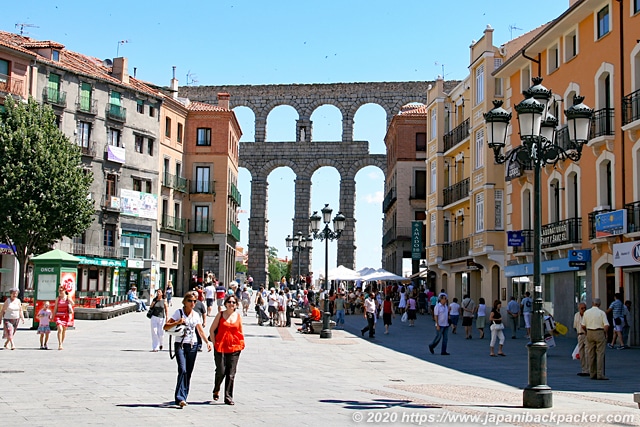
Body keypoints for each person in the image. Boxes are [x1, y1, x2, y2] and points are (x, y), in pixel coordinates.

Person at [164, 291, 212, 407]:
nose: (192, 303)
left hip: (192, 345)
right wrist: (178, 322)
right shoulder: (179, 312)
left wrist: (207, 342)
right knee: (182, 369)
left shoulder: (196, 315)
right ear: (184, 302)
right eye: (190, 301)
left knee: (188, 372)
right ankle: (179, 396)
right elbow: (166, 326)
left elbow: (200, 330)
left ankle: (183, 397)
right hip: (180, 344)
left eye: (194, 301)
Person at [210, 295, 245, 405]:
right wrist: (215, 343)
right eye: (229, 302)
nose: (231, 304)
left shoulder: (238, 317)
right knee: (221, 371)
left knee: (231, 373)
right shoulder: (220, 315)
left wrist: (241, 343)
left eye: (234, 302)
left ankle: (228, 396)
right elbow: (212, 330)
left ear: (236, 305)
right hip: (220, 347)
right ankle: (216, 388)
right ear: (225, 303)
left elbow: (240, 332)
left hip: (235, 347)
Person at [581, 298, 609, 380]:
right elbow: (606, 325)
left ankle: (592, 373)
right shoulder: (601, 313)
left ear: (592, 303)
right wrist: (605, 333)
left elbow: (582, 325)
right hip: (599, 332)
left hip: (589, 332)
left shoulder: (587, 312)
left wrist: (586, 332)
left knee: (591, 354)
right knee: (600, 354)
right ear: (599, 304)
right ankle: (600, 374)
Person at [52, 285, 74, 350]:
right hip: (58, 316)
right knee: (60, 329)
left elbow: (73, 303)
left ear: (64, 290)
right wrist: (53, 316)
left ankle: (61, 342)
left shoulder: (67, 297)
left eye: (61, 290)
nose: (60, 291)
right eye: (59, 290)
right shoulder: (58, 298)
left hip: (65, 316)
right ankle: (60, 344)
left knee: (64, 330)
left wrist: (70, 302)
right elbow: (55, 308)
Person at [573, 302, 589, 376]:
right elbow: (575, 326)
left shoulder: (588, 315)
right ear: (579, 308)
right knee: (581, 353)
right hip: (579, 335)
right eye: (582, 308)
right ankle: (584, 369)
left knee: (587, 352)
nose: (584, 309)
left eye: (585, 308)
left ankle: (588, 369)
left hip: (586, 335)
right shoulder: (576, 315)